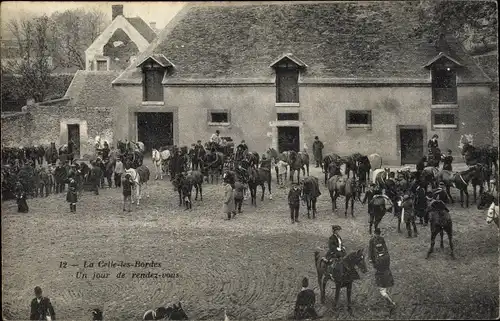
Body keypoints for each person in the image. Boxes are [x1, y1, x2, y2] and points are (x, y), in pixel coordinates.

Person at [368, 228, 396, 310]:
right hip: (378, 257)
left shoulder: (381, 239)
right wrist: (370, 258)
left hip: (380, 261)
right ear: (374, 233)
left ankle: (389, 301)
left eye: (378, 234)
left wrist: (381, 256)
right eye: (376, 234)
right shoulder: (371, 240)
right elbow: (370, 250)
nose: (377, 235)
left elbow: (385, 247)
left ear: (378, 234)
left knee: (381, 283)